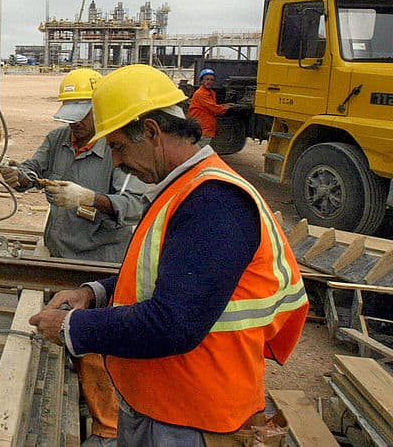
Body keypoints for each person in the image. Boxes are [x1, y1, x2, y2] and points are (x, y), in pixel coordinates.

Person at [29, 64, 308, 446]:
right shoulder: (184, 187)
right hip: (166, 399)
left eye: (118, 147)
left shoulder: (214, 201)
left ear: (150, 131)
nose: (115, 162)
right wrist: (95, 293)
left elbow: (173, 323)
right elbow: (168, 274)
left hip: (191, 415)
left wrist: (71, 328)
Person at [0, 67, 146, 447]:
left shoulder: (118, 148)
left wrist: (89, 198)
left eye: (81, 116)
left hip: (100, 261)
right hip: (60, 252)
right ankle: (77, 393)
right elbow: (35, 169)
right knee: (59, 331)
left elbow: (135, 204)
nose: (75, 126)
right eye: (71, 116)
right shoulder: (58, 139)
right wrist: (22, 175)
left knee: (98, 348)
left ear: (101, 109)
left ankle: (107, 428)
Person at [187, 68, 231, 147]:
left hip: (205, 128)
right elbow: (214, 108)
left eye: (211, 80)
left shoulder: (210, 93)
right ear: (201, 81)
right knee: (199, 153)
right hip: (202, 129)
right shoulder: (201, 94)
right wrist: (226, 107)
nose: (209, 82)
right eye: (207, 79)